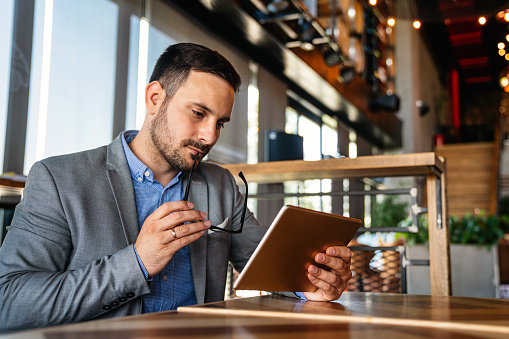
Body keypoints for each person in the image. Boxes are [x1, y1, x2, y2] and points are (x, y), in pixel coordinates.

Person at [0, 43, 352, 332]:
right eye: (198, 113)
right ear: (155, 98)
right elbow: (11, 302)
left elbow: (270, 265)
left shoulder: (220, 185)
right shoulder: (59, 179)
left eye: (220, 123)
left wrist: (314, 281)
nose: (209, 136)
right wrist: (136, 263)